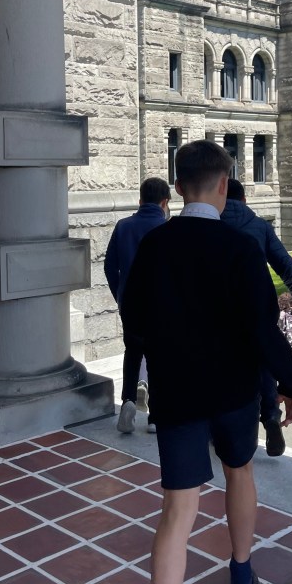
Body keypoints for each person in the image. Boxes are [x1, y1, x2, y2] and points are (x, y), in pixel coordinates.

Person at [121, 140, 292, 584]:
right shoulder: (240, 247)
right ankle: (243, 576)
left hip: (177, 393)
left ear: (179, 188)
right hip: (231, 393)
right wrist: (291, 382)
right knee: (239, 472)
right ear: (225, 185)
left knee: (177, 511)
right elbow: (263, 328)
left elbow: (134, 318)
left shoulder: (155, 246)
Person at [221, 178, 292, 456]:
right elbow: (288, 268)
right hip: (256, 310)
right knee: (264, 360)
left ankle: (225, 430)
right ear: (244, 200)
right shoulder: (258, 226)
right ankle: (270, 417)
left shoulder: (209, 224)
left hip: (220, 316)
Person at [104, 176, 171, 434]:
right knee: (159, 356)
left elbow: (110, 266)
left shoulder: (123, 226)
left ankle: (128, 402)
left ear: (140, 200)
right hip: (160, 303)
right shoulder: (167, 228)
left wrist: (120, 294)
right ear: (164, 202)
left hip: (130, 302)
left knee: (132, 353)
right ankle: (155, 416)